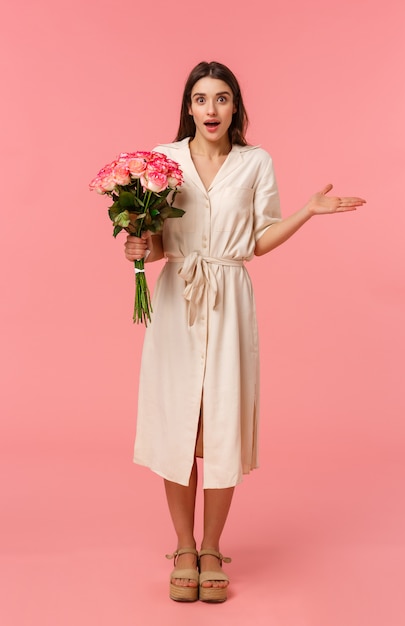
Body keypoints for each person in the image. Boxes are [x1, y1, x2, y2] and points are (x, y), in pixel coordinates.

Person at [124, 61, 366, 603]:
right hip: (178, 296)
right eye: (202, 99)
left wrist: (306, 211)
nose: (212, 109)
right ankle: (183, 546)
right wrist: (138, 249)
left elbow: (257, 240)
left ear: (236, 107)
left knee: (223, 421)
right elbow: (159, 244)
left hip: (230, 298)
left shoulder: (256, 162)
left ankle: (212, 548)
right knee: (177, 424)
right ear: (188, 106)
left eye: (222, 98)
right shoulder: (162, 163)